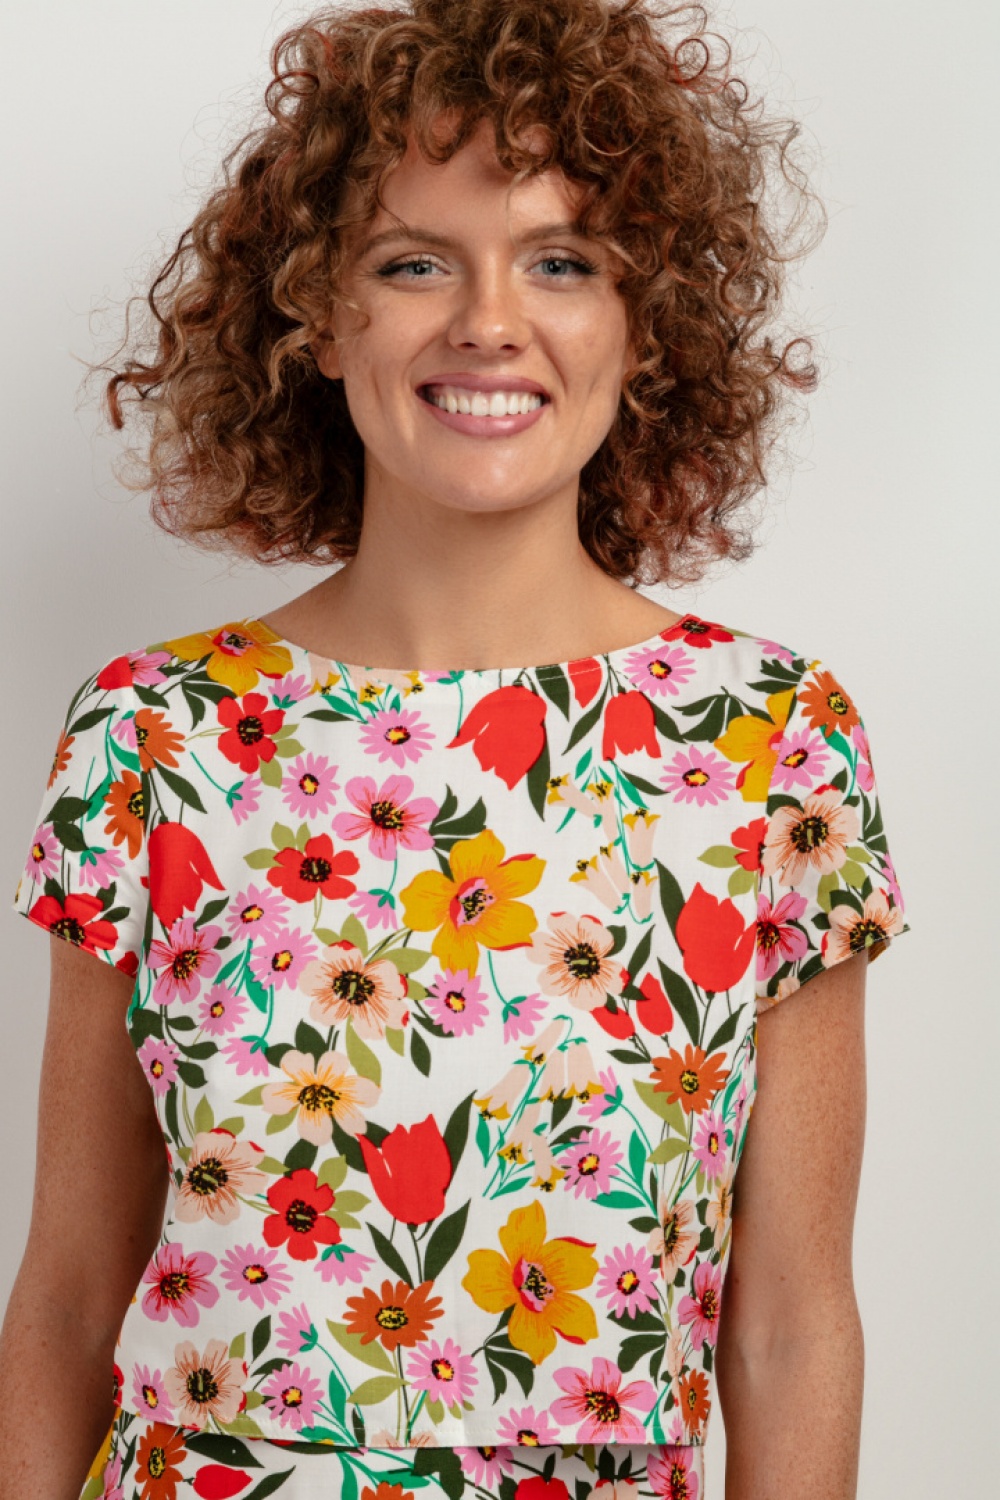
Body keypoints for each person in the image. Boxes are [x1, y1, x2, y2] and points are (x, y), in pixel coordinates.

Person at [0, 2, 909, 1498]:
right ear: (317, 315)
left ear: (645, 322)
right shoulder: (155, 736)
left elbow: (796, 1329)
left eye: (562, 261)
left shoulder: (771, 744)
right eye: (413, 262)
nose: (489, 319)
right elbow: (63, 1295)